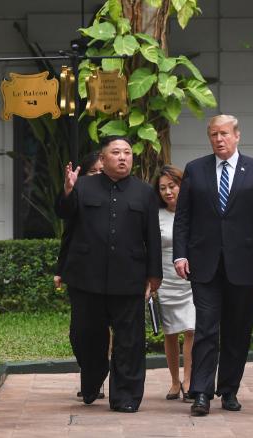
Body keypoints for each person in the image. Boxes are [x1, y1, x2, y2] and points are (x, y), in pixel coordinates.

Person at [173, 115, 253, 416]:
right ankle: (201, 393)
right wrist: (179, 254)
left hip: (244, 264)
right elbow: (183, 217)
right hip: (204, 264)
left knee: (237, 330)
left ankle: (229, 390)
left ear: (236, 136)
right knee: (206, 328)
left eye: (223, 133)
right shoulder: (196, 169)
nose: (218, 139)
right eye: (213, 134)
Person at [56, 136, 162, 413]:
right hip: (86, 278)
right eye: (116, 152)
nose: (123, 157)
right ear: (103, 160)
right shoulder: (82, 186)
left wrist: (154, 275)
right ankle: (92, 379)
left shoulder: (144, 192)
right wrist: (68, 190)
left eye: (127, 152)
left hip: (128, 277)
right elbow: (64, 214)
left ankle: (125, 397)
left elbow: (152, 235)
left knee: (130, 340)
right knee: (85, 336)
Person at [52, 150, 104, 400]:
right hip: (82, 273)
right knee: (79, 332)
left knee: (102, 331)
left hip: (112, 274)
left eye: (102, 173)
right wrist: (69, 189)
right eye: (93, 172)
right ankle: (94, 371)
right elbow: (66, 225)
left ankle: (93, 381)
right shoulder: (79, 192)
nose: (98, 177)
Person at [152, 165, 195, 402]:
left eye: (172, 186)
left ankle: (189, 380)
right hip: (166, 280)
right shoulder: (155, 215)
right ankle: (174, 381)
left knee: (192, 329)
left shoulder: (195, 212)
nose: (168, 192)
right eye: (163, 188)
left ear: (182, 185)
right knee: (170, 333)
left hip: (192, 280)